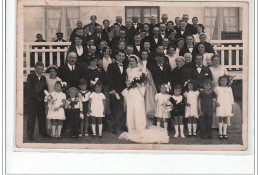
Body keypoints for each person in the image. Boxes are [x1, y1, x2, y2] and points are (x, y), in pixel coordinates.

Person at [119, 55, 168, 143]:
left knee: (138, 109)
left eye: (133, 61)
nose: (131, 63)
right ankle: (131, 128)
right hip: (130, 93)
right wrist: (129, 84)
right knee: (130, 109)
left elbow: (145, 83)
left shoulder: (141, 70)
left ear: (137, 62)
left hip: (138, 92)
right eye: (130, 61)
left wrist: (137, 84)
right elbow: (127, 81)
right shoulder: (127, 70)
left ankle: (139, 128)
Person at [26, 62, 48, 140]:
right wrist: (37, 98)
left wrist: (45, 96)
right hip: (32, 101)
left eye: (42, 69)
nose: (40, 71)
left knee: (42, 116)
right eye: (38, 69)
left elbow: (45, 89)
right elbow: (30, 89)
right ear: (35, 68)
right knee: (31, 117)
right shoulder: (30, 76)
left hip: (41, 100)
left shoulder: (43, 78)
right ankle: (30, 134)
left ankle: (43, 132)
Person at [107, 50, 127, 134]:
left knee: (123, 108)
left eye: (123, 56)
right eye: (120, 55)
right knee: (115, 109)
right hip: (115, 90)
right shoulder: (111, 66)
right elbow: (109, 78)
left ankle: (123, 126)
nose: (121, 57)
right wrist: (112, 89)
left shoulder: (126, 66)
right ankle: (114, 127)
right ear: (116, 56)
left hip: (124, 90)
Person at [214, 75, 234, 140]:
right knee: (221, 118)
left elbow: (231, 97)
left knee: (225, 118)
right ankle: (220, 133)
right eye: (222, 80)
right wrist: (215, 102)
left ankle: (224, 133)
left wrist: (232, 106)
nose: (223, 82)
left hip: (227, 104)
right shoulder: (217, 88)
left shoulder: (229, 88)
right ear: (219, 81)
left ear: (227, 82)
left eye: (225, 81)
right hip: (220, 104)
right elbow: (213, 96)